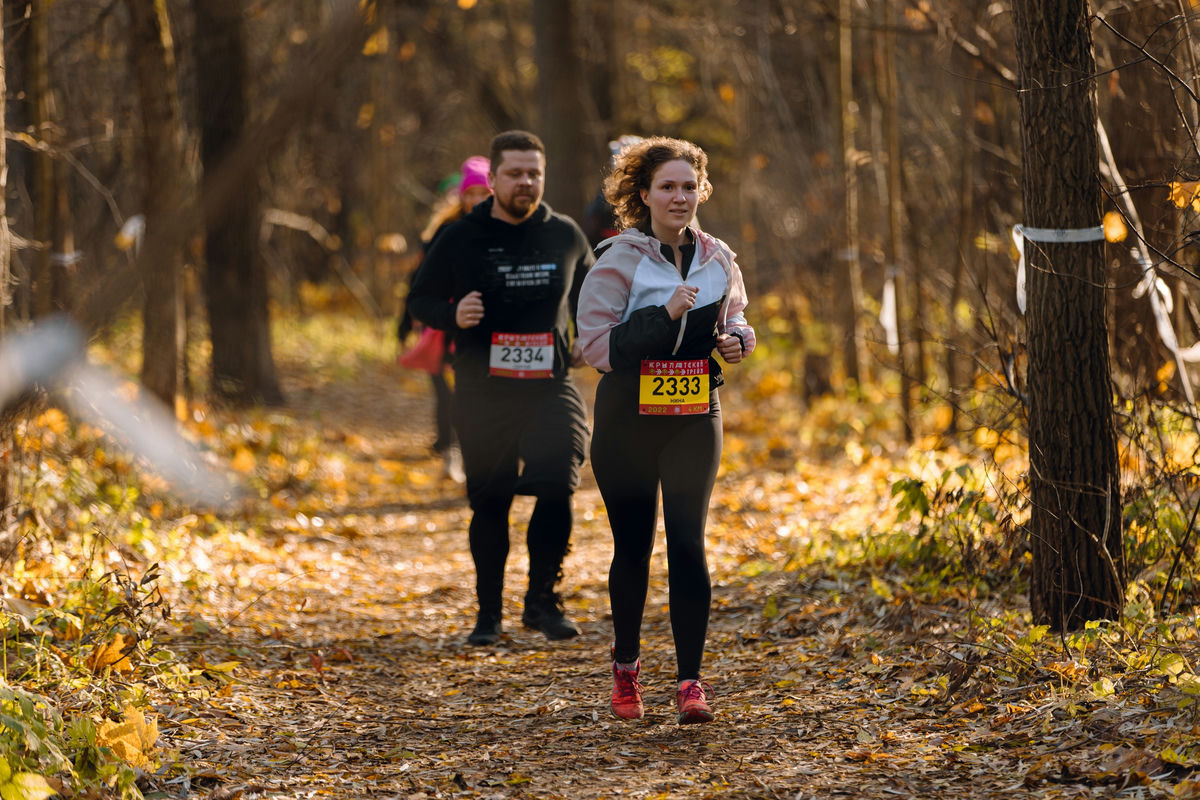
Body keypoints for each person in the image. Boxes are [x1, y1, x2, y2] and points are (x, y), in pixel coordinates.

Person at [576, 136, 755, 724]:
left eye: (688, 186)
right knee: (633, 546)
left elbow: (737, 319)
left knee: (687, 542)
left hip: (693, 414)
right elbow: (595, 347)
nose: (679, 197)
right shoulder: (618, 258)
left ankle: (690, 683)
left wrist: (736, 341)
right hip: (629, 417)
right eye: (667, 187)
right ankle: (625, 671)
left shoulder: (717, 256)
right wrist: (665, 316)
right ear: (645, 194)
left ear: (701, 191)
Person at [407, 130, 594, 647]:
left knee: (559, 482)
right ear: (492, 179)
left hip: (549, 386)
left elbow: (594, 297)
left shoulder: (565, 235)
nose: (525, 183)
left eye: (534, 173)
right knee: (490, 502)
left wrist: (587, 339)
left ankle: (542, 600)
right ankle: (488, 613)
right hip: (482, 390)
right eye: (514, 173)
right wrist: (452, 314)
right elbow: (418, 299)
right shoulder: (460, 236)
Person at [397, 156, 492, 483]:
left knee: (479, 395)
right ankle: (450, 453)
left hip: (485, 331)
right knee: (446, 393)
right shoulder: (444, 231)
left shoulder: (505, 231)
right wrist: (405, 323)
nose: (477, 199)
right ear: (462, 197)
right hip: (441, 327)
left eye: (484, 192)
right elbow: (418, 284)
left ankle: (479, 454)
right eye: (471, 193)